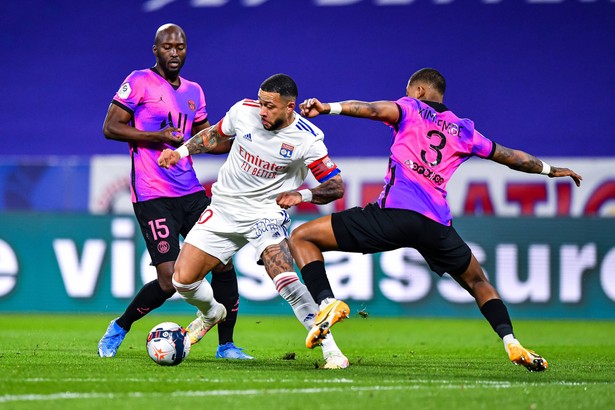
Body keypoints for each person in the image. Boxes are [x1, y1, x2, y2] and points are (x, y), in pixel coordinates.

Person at [292, 68, 583, 372]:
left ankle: (327, 304)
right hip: (435, 224)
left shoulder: (410, 108)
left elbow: (373, 109)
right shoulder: (465, 131)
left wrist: (328, 108)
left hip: (394, 214)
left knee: (302, 236)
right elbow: (512, 157)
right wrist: (550, 170)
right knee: (478, 281)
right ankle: (511, 341)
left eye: (408, 91)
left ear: (418, 90)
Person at [157, 73, 350, 369]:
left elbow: (336, 186)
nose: (262, 111)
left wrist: (304, 195)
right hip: (223, 208)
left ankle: (332, 352)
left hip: (265, 213)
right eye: (261, 103)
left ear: (290, 107)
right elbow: (214, 135)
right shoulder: (243, 112)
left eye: (270, 106)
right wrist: (180, 152)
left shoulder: (307, 138)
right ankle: (211, 313)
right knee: (182, 281)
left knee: (285, 279)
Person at [98, 23, 253, 360]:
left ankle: (226, 345)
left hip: (191, 192)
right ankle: (119, 327)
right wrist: (158, 137)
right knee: (169, 281)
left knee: (223, 263)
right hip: (152, 194)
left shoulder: (194, 91)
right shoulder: (139, 81)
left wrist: (241, 140)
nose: (174, 52)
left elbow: (203, 139)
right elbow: (111, 127)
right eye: (167, 47)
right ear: (155, 50)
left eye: (180, 47)